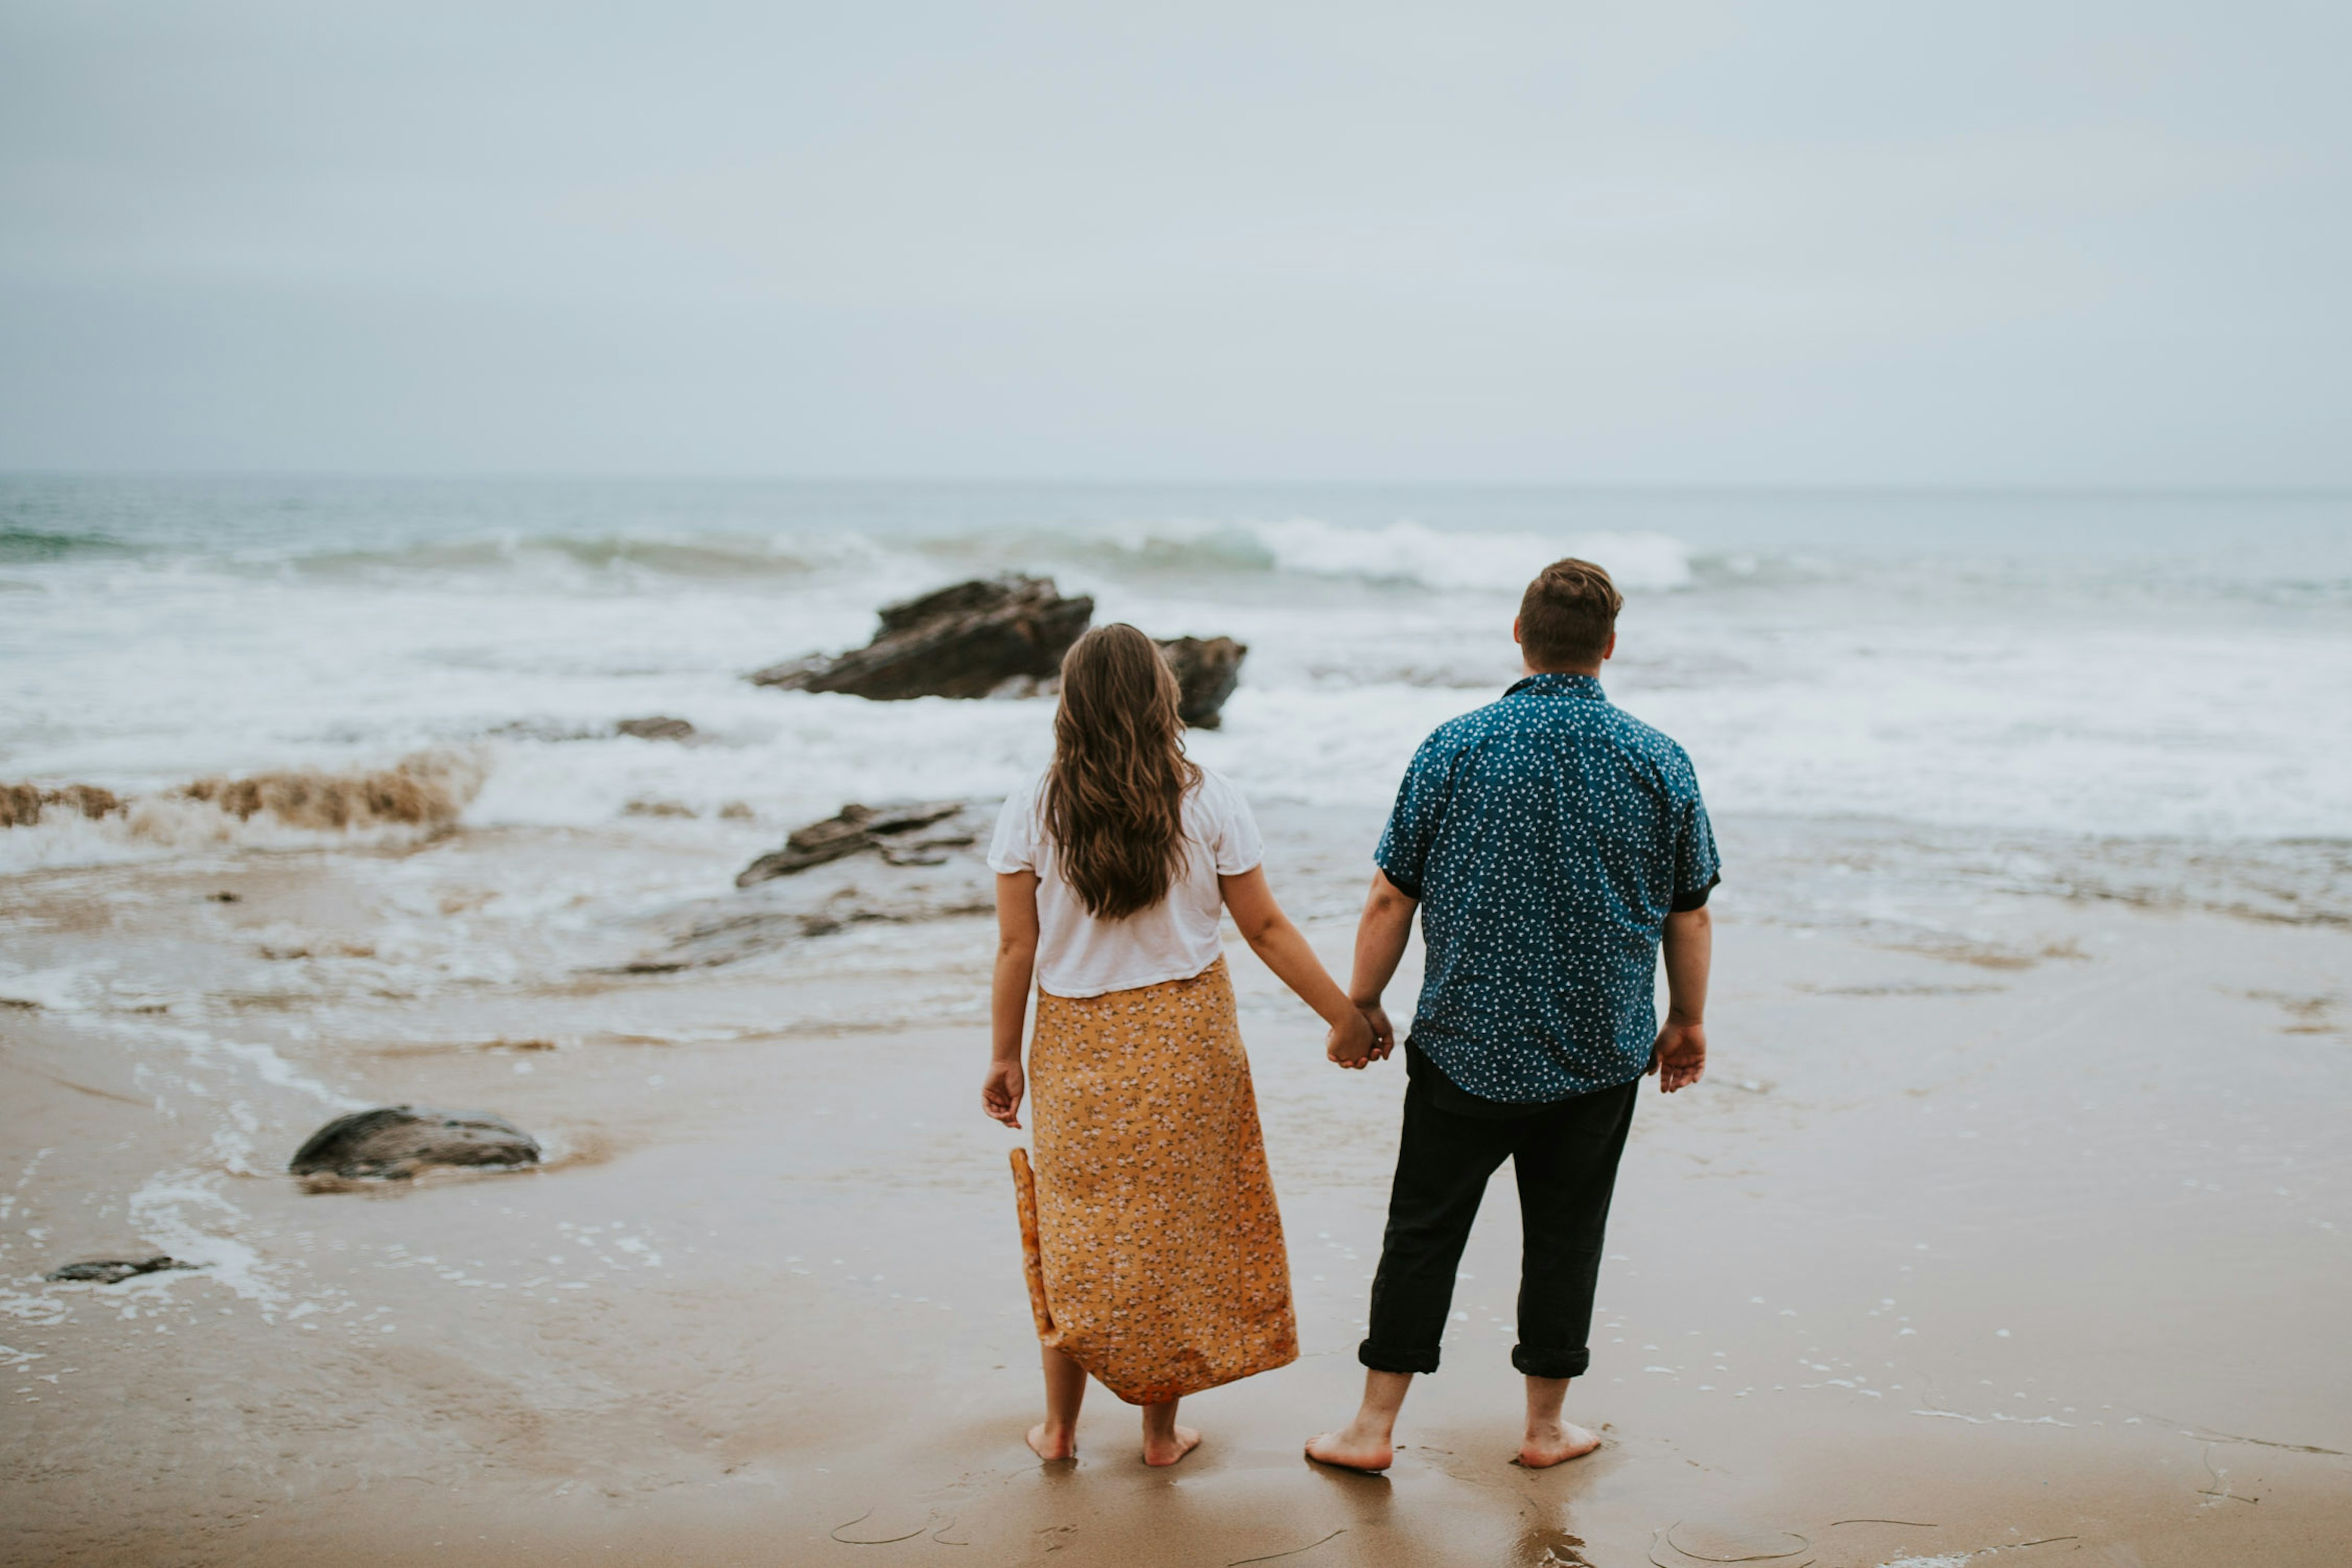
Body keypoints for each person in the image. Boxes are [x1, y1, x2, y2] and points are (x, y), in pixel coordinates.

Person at [1306, 557, 1720, 1473]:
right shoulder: (1659, 759)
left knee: (1423, 1229)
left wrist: (1361, 1004)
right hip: (1599, 1046)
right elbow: (1688, 910)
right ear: (1609, 648)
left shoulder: (1455, 745)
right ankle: (1543, 1430)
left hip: (1465, 1041)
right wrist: (1687, 1018)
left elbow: (1390, 899)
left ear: (1520, 639)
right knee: (1568, 1235)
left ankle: (1372, 1430)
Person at [983, 622, 1377, 1468]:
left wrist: (1004, 1056)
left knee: (1076, 1232)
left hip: (1075, 1045)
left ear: (1071, 703)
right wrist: (1342, 1014)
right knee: (1170, 1233)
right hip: (1186, 1039)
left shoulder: (1033, 802)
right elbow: (1265, 927)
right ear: (1164, 697)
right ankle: (1161, 1437)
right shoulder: (1209, 797)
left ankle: (1058, 1431)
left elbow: (1016, 949)